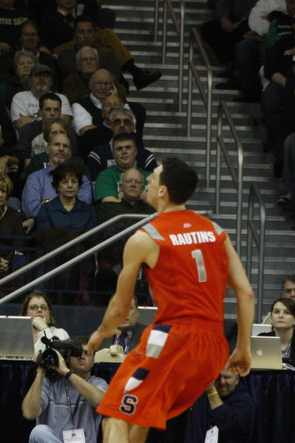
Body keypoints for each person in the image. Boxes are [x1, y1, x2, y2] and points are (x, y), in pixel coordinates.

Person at [87, 158, 255, 443]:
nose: (147, 180)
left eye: (152, 176)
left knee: (115, 413)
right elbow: (246, 293)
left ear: (163, 191)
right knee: (142, 414)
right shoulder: (216, 232)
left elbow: (120, 308)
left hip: (174, 338)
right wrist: (242, 348)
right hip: (214, 346)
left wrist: (99, 334)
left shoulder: (146, 237)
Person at [21, 336, 107, 443]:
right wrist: (40, 373)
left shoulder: (98, 383)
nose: (82, 356)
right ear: (67, 358)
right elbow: (29, 413)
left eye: (87, 353)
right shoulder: (50, 383)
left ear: (93, 361)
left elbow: (102, 403)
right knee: (38, 432)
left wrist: (66, 372)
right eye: (77, 353)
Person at [186, 369, 256, 443]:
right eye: (217, 377)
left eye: (227, 377)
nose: (222, 382)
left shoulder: (245, 400)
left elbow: (229, 425)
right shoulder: (203, 399)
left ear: (236, 379)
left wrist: (212, 392)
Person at [258, 297, 295, 369]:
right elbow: (257, 363)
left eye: (287, 312)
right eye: (276, 312)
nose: (280, 316)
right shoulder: (263, 338)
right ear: (271, 319)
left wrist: (273, 362)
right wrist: (289, 362)